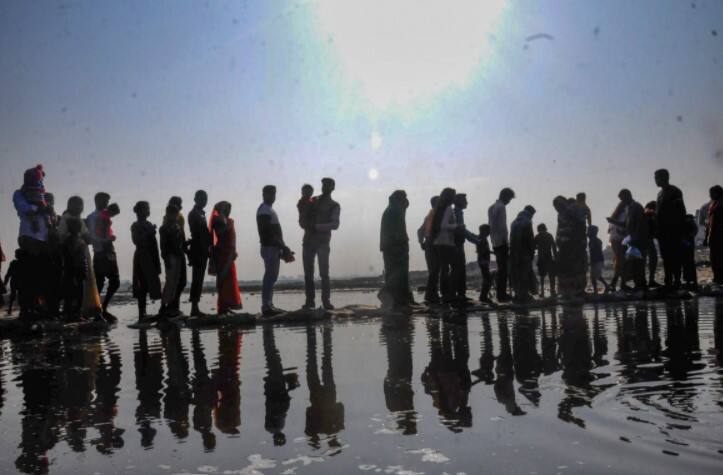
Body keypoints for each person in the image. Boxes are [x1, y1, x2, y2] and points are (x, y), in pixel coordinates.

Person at [13, 164, 52, 318]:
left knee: (40, 276)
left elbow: (48, 217)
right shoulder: (19, 193)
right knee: (29, 275)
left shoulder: (42, 196)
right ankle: (26, 309)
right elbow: (24, 208)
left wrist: (48, 212)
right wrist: (40, 209)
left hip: (43, 239)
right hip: (29, 237)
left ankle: (36, 306)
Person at [58, 196, 103, 319]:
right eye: (76, 205)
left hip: (81, 255)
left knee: (81, 283)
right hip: (71, 256)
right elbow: (61, 237)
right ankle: (71, 311)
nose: (79, 208)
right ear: (69, 205)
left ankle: (79, 310)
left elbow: (87, 236)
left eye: (80, 205)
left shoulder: (79, 220)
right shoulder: (65, 219)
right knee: (72, 284)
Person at [302, 178, 340, 310]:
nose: (324, 187)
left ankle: (326, 302)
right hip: (308, 241)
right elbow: (303, 212)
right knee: (308, 273)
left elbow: (335, 225)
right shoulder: (314, 200)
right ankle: (310, 301)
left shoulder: (334, 205)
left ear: (332, 188)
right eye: (323, 185)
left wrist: (316, 226)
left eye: (327, 185)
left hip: (322, 242)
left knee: (324, 273)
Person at [257, 185, 293, 316]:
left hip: (273, 247)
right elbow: (267, 232)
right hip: (269, 247)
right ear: (264, 194)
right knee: (269, 277)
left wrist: (283, 248)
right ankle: (266, 307)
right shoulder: (264, 210)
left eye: (274, 194)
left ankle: (269, 304)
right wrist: (283, 247)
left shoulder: (269, 210)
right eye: (270, 194)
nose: (273, 196)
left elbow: (274, 232)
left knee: (272, 277)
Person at [87, 193, 120, 320]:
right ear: (97, 201)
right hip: (100, 251)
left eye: (107, 202)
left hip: (109, 250)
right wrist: (105, 240)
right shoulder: (92, 217)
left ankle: (102, 307)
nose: (106, 204)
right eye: (104, 201)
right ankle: (97, 310)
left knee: (115, 281)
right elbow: (92, 235)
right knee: (100, 282)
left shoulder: (105, 215)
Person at [379, 190, 414, 308]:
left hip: (390, 245)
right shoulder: (395, 210)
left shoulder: (392, 209)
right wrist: (401, 243)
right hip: (396, 245)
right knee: (400, 273)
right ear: (400, 198)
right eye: (405, 197)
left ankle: (399, 299)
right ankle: (389, 295)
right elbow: (397, 230)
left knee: (393, 272)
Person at [655, 169, 687, 290]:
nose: (655, 180)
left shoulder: (674, 191)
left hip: (673, 230)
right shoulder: (659, 194)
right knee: (666, 257)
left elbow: (681, 210)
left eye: (657, 177)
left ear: (664, 178)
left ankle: (677, 280)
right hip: (662, 232)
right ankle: (668, 280)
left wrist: (681, 229)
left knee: (675, 256)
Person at [209, 201, 243, 314]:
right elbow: (221, 231)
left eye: (229, 209)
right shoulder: (218, 219)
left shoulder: (228, 220)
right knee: (223, 278)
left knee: (230, 279)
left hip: (229, 253)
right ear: (221, 210)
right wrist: (222, 214)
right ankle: (223, 307)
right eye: (226, 209)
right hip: (222, 253)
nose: (229, 211)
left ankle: (227, 306)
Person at [131, 201, 162, 321]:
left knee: (152, 283)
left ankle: (151, 311)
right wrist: (149, 232)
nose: (148, 211)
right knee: (142, 285)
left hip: (152, 255)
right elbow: (136, 241)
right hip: (142, 256)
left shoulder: (149, 224)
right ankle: (141, 313)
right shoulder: (135, 225)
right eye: (146, 209)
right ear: (139, 211)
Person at [554, 196, 588, 299]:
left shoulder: (569, 212)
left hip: (572, 244)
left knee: (573, 269)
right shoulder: (563, 214)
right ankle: (572, 291)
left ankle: (574, 291)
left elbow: (580, 226)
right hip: (569, 245)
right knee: (571, 269)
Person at [430, 188, 458, 304]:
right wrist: (457, 226)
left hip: (439, 242)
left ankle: (445, 293)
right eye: (453, 196)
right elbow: (444, 225)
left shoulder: (439, 209)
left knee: (444, 269)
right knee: (451, 268)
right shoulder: (448, 208)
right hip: (445, 242)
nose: (454, 198)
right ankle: (447, 294)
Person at [188, 190, 212, 317]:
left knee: (200, 278)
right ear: (196, 199)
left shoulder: (201, 214)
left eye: (205, 198)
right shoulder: (194, 214)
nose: (204, 201)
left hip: (203, 249)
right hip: (197, 249)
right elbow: (198, 233)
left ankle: (195, 306)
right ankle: (194, 307)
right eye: (202, 198)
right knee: (196, 279)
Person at [488, 188, 515, 302]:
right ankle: (501, 294)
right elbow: (501, 226)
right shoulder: (501, 207)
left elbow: (492, 225)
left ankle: (501, 293)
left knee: (501, 268)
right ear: (505, 196)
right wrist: (505, 240)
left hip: (495, 240)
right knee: (503, 270)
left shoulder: (492, 207)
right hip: (501, 241)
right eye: (509, 198)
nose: (509, 201)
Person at [159, 205, 186, 317]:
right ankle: (163, 306)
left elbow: (180, 242)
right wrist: (165, 259)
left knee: (175, 282)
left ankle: (170, 306)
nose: (176, 216)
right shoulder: (164, 228)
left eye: (176, 214)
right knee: (170, 281)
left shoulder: (177, 226)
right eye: (174, 214)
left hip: (178, 256)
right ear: (168, 214)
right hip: (170, 257)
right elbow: (163, 246)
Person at [619, 189, 648, 290]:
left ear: (628, 196)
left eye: (622, 199)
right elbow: (627, 224)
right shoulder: (629, 208)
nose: (622, 202)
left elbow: (640, 223)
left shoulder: (636, 206)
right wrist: (614, 222)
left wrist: (635, 236)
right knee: (634, 263)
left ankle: (641, 285)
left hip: (638, 240)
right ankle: (638, 284)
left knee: (638, 263)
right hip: (632, 240)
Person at [60, 218, 87, 319]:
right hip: (72, 269)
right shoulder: (69, 240)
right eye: (72, 225)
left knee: (77, 293)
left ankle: (75, 313)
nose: (75, 228)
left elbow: (81, 257)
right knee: (72, 293)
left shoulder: (78, 240)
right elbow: (71, 255)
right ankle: (71, 313)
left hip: (78, 269)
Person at [453, 193, 478, 302]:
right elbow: (462, 230)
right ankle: (460, 295)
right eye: (464, 200)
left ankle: (459, 294)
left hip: (457, 243)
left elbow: (464, 230)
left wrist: (474, 237)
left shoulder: (457, 212)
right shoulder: (457, 213)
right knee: (459, 270)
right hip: (457, 244)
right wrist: (476, 240)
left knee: (458, 269)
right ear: (458, 201)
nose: (467, 202)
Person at [509, 205, 536, 303]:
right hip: (524, 251)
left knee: (516, 273)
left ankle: (518, 294)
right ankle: (524, 295)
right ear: (531, 212)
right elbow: (530, 238)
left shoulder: (514, 222)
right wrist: (532, 250)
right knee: (524, 273)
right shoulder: (527, 221)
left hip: (513, 251)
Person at [418, 196, 440, 304]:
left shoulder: (429, 215)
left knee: (434, 270)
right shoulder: (436, 214)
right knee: (435, 270)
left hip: (429, 243)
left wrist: (421, 242)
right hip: (433, 244)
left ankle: (432, 294)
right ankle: (431, 295)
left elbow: (420, 231)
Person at [607, 198, 628, 292]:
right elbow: (623, 227)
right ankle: (618, 283)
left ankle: (616, 283)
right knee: (621, 261)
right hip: (619, 239)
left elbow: (609, 230)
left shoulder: (615, 215)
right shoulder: (624, 214)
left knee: (620, 261)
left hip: (616, 239)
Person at [705, 185, 723, 284]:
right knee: (714, 257)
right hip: (714, 235)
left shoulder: (721, 204)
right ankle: (717, 277)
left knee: (719, 257)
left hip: (720, 235)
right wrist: (706, 236)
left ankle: (719, 278)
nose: (710, 195)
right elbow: (709, 222)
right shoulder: (713, 204)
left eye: (711, 193)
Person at [534, 223, 557, 298]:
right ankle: (552, 291)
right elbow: (553, 247)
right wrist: (556, 257)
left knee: (542, 276)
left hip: (542, 258)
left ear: (540, 229)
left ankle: (543, 292)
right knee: (551, 276)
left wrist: (538, 247)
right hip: (548, 258)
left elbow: (533, 247)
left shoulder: (537, 236)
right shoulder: (549, 235)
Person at [644, 201, 661, 288]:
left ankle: (648, 280)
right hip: (647, 240)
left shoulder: (647, 214)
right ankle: (650, 280)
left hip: (646, 240)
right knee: (653, 259)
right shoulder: (649, 215)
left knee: (649, 260)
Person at [588, 226, 608, 294]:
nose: (587, 233)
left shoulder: (593, 240)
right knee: (596, 276)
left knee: (594, 276)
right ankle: (601, 287)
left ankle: (597, 290)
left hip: (596, 260)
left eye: (588, 232)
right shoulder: (596, 240)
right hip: (599, 260)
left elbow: (593, 251)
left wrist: (591, 261)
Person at [475, 224, 492, 303]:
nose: (489, 232)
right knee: (487, 279)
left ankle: (483, 296)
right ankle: (483, 296)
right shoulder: (482, 239)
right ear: (485, 231)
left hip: (483, 261)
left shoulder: (480, 238)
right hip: (483, 261)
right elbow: (481, 250)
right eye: (488, 231)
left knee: (486, 279)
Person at [682, 214, 698, 290]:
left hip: (686, 243)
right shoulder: (689, 220)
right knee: (689, 262)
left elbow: (694, 230)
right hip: (688, 243)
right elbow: (695, 230)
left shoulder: (685, 220)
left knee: (687, 263)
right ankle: (692, 281)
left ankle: (689, 281)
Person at [3, 251, 21, 315]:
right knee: (21, 295)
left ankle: (10, 309)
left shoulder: (13, 263)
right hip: (21, 281)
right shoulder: (24, 263)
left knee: (12, 295)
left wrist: (5, 283)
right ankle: (23, 310)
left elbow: (8, 274)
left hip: (14, 281)